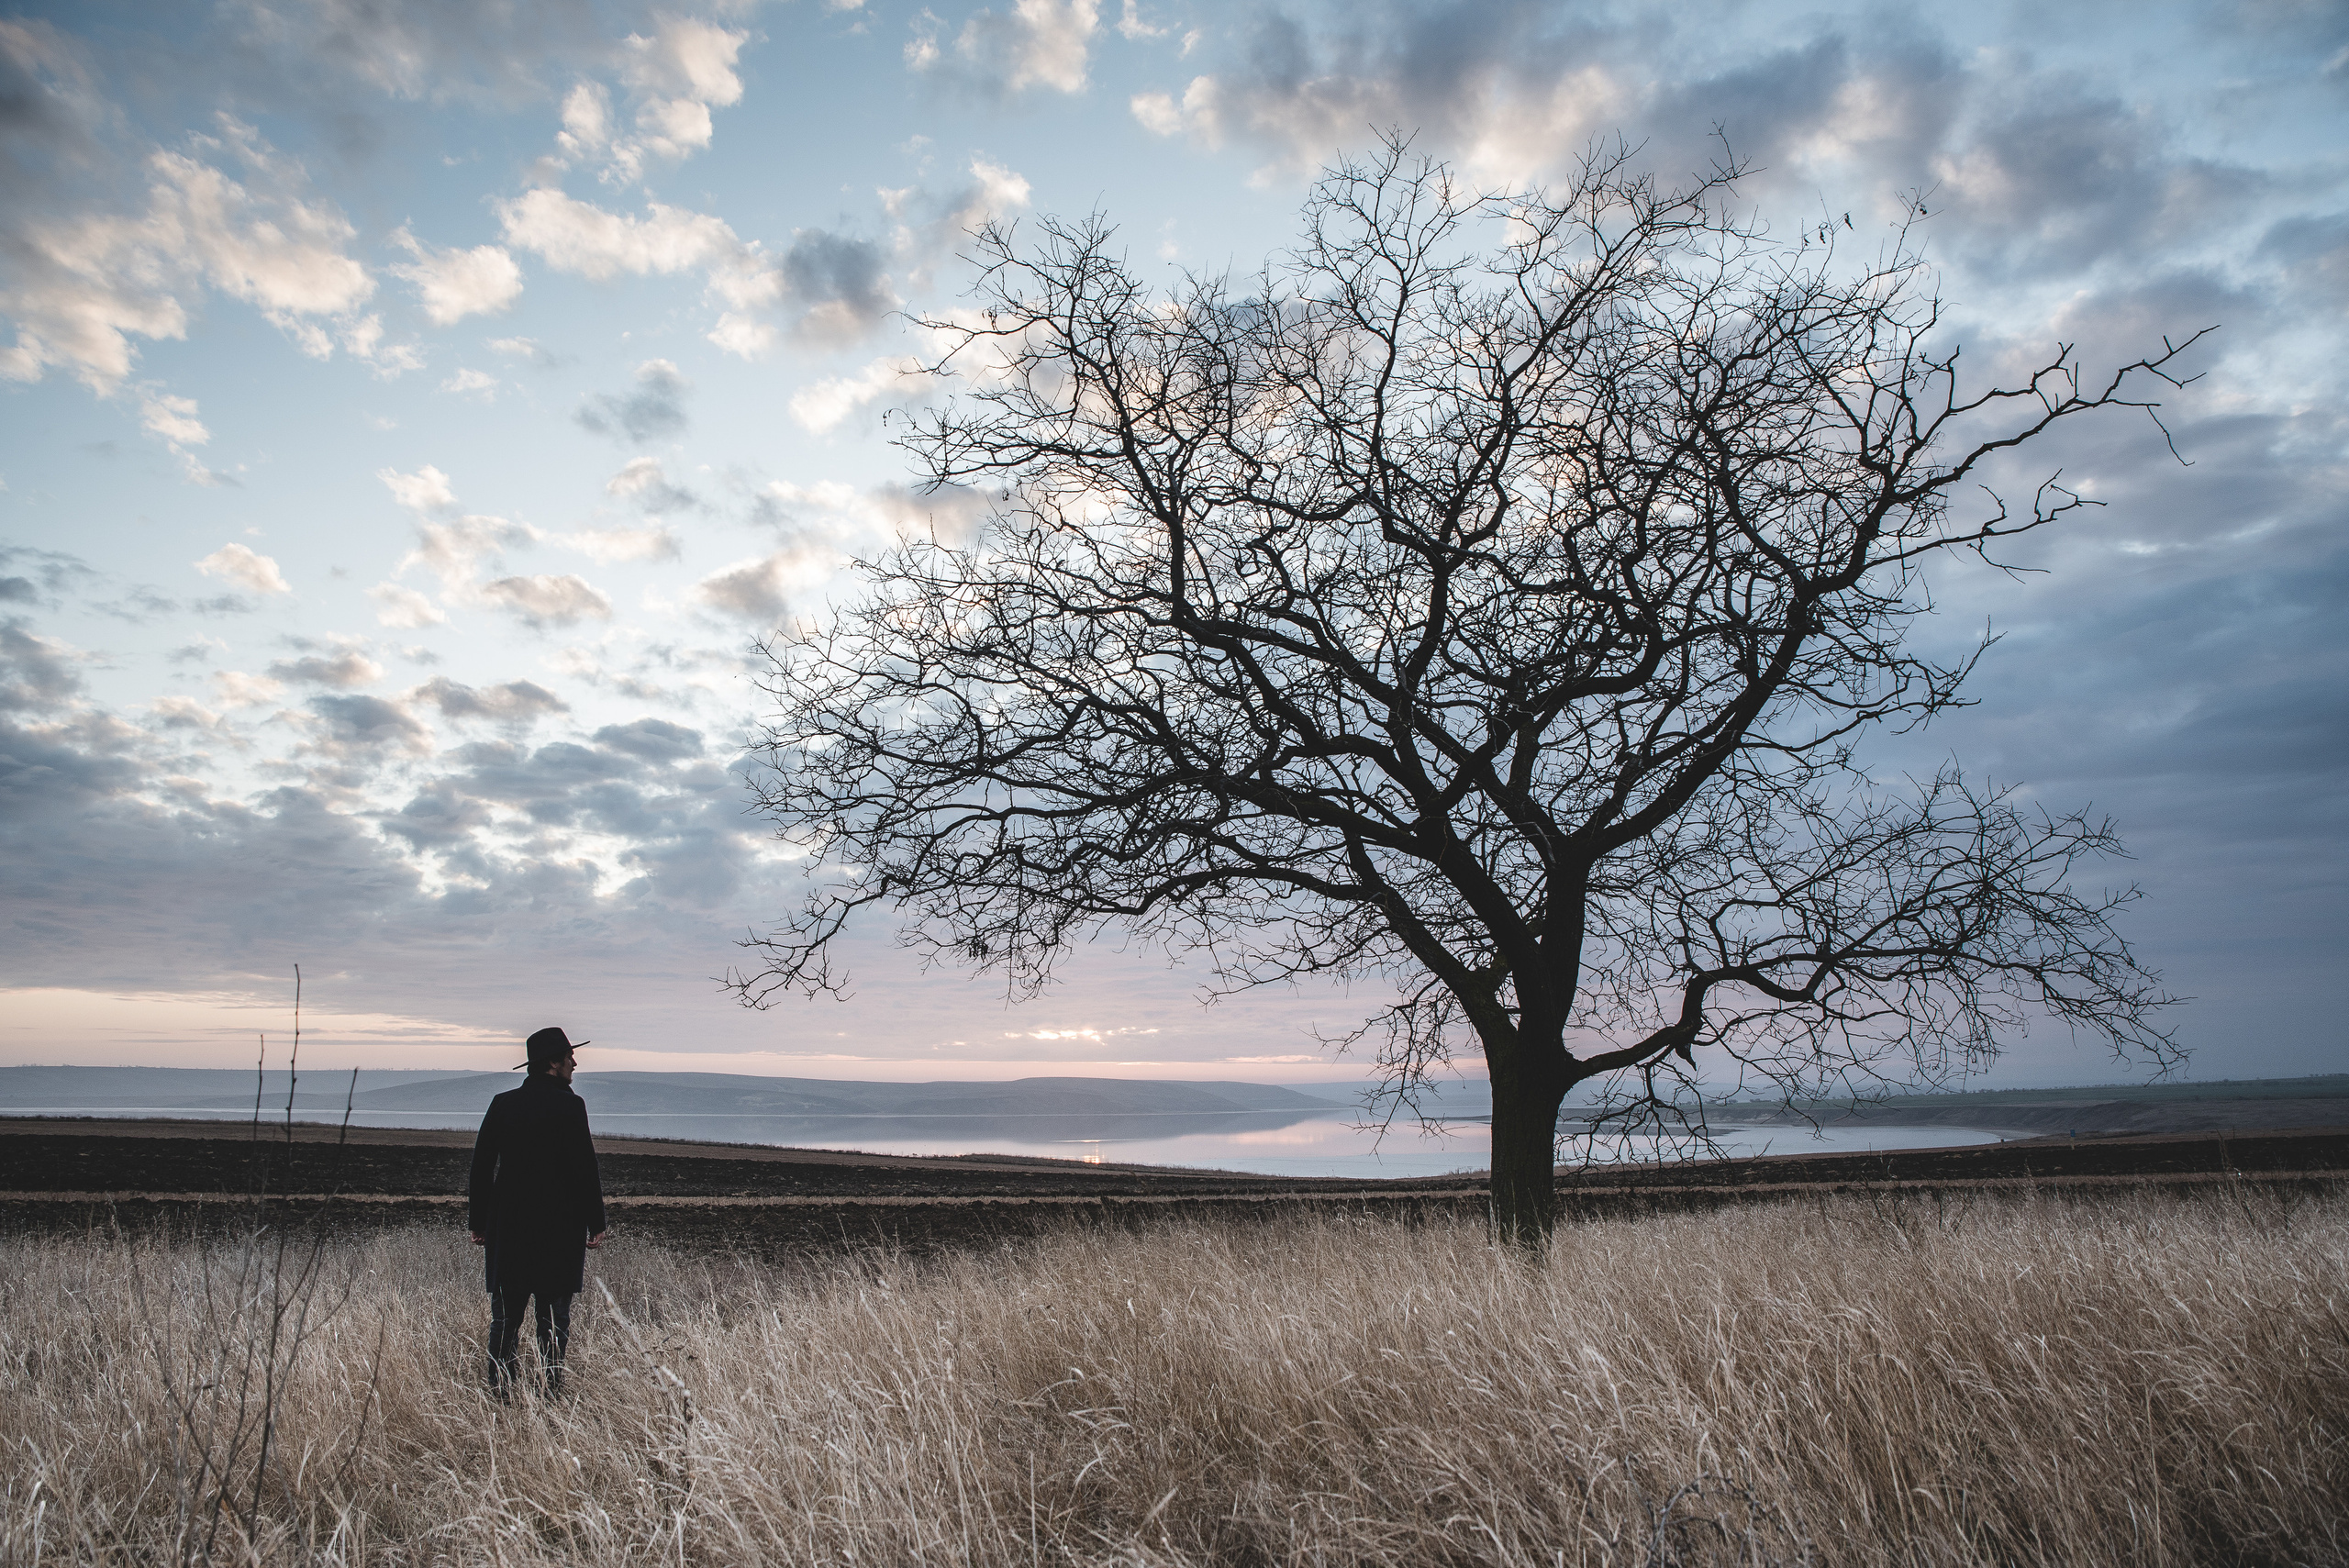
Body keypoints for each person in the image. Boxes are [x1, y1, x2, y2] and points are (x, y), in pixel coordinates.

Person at [468, 1025, 607, 1396]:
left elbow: (481, 1167)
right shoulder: (571, 1106)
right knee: (554, 1322)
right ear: (553, 1063)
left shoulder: (503, 1104)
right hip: (560, 1231)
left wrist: (479, 1222)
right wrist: (596, 1221)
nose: (575, 1063)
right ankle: (551, 1395)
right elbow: (585, 1167)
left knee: (505, 1321)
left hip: (509, 1229)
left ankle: (500, 1394)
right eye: (569, 1057)